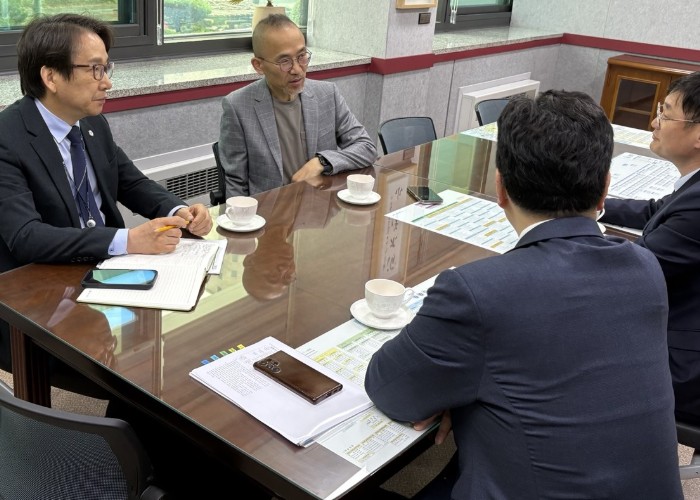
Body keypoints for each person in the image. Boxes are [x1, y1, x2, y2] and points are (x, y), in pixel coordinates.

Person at [365, 91, 682, 499]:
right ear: (605, 189)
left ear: (500, 187)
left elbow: (390, 389)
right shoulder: (645, 268)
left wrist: (457, 394)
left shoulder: (478, 291)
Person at [0, 13, 212, 395]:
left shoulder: (91, 123)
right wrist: (128, 240)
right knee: (135, 385)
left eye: (106, 68)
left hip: (107, 272)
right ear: (51, 77)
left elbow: (131, 182)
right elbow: (26, 236)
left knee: (185, 346)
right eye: (95, 69)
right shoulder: (7, 137)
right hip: (46, 291)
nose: (107, 82)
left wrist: (177, 210)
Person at [601, 71, 700, 426]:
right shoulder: (693, 190)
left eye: (666, 114)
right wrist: (588, 203)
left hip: (683, 369)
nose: (654, 122)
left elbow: (632, 273)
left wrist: (562, 234)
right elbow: (655, 211)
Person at [218, 14, 377, 197]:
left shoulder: (327, 94)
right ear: (258, 65)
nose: (297, 69)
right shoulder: (238, 107)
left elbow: (366, 147)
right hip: (270, 209)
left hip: (320, 205)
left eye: (302, 56)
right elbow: (236, 184)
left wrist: (321, 162)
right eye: (284, 61)